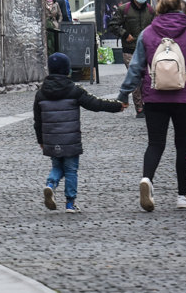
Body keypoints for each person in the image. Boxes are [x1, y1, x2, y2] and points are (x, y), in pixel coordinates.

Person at [117, 0, 186, 212]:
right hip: (185, 98)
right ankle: (183, 195)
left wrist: (124, 94)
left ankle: (147, 180)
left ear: (158, 9)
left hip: (154, 97)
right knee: (183, 146)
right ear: (182, 8)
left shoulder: (148, 33)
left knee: (155, 143)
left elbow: (136, 67)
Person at [33, 51, 125, 213]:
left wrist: (41, 140)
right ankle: (70, 203)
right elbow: (95, 104)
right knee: (70, 170)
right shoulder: (74, 90)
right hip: (71, 139)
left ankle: (51, 184)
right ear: (67, 70)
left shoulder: (40, 93)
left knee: (57, 166)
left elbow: (37, 121)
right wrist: (117, 106)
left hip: (51, 139)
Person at [108, 0, 155, 117]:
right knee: (135, 80)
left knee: (148, 79)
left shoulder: (150, 10)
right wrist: (125, 34)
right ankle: (139, 108)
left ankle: (148, 104)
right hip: (130, 50)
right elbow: (113, 25)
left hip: (147, 49)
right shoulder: (125, 9)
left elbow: (157, 26)